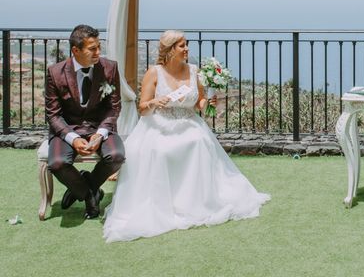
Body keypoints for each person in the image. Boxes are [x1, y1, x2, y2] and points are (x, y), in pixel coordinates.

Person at [103, 30, 270, 242]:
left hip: (189, 123)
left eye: (186, 44)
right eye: (182, 45)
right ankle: (166, 202)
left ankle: (196, 201)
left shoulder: (194, 71)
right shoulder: (154, 73)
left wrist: (207, 104)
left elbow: (199, 101)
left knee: (199, 141)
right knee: (161, 149)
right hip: (159, 124)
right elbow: (142, 108)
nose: (187, 49)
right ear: (170, 50)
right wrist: (154, 103)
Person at [46, 24, 125, 219]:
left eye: (99, 47)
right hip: (67, 129)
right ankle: (90, 194)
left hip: (100, 127)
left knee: (116, 156)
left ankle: (82, 184)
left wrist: (101, 133)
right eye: (92, 48)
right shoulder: (55, 73)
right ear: (76, 50)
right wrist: (72, 138)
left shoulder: (110, 68)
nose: (98, 52)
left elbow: (114, 107)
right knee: (56, 163)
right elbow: (53, 115)